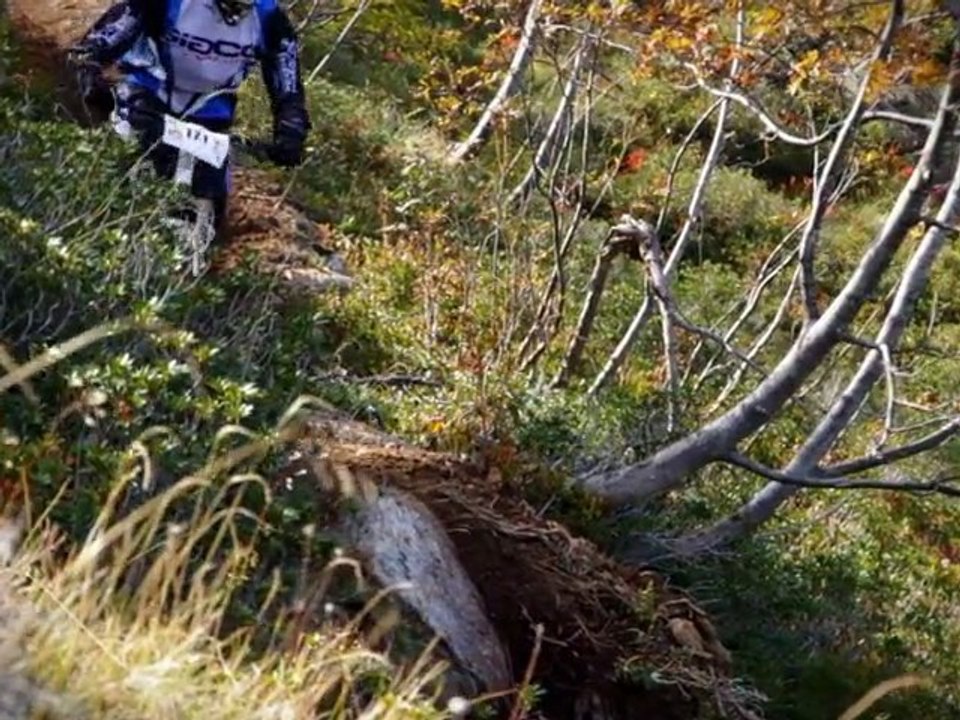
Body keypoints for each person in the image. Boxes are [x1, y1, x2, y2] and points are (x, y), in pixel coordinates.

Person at [68, 0, 311, 237]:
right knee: (127, 161)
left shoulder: (269, 18)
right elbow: (109, 35)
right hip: (149, 91)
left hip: (210, 108)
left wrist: (291, 129)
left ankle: (195, 258)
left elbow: (287, 83)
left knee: (212, 198)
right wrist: (90, 67)